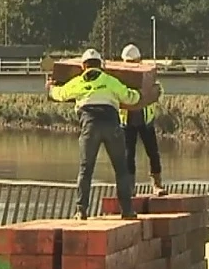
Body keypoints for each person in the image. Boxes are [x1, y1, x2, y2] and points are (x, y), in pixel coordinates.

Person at [46, 48, 141, 220]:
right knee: (121, 169)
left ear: (83, 66)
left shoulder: (78, 82)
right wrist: (141, 93)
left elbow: (59, 94)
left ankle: (81, 211)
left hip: (90, 126)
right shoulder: (110, 81)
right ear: (101, 66)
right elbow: (130, 98)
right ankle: (127, 210)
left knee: (85, 170)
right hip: (112, 124)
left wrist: (50, 88)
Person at [119, 44, 168, 196]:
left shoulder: (148, 75)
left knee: (153, 152)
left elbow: (159, 91)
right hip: (126, 122)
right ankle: (130, 187)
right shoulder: (120, 78)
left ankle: (157, 185)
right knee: (128, 155)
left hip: (145, 120)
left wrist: (154, 93)